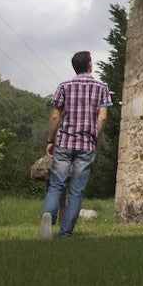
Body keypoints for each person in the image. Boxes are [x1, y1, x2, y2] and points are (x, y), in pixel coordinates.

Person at [40, 50, 113, 239]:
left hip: (64, 142)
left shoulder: (64, 86)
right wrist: (95, 137)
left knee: (56, 184)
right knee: (76, 191)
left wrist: (50, 140)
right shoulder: (101, 87)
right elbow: (103, 118)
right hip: (86, 144)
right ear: (90, 64)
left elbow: (56, 116)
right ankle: (65, 234)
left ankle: (48, 214)